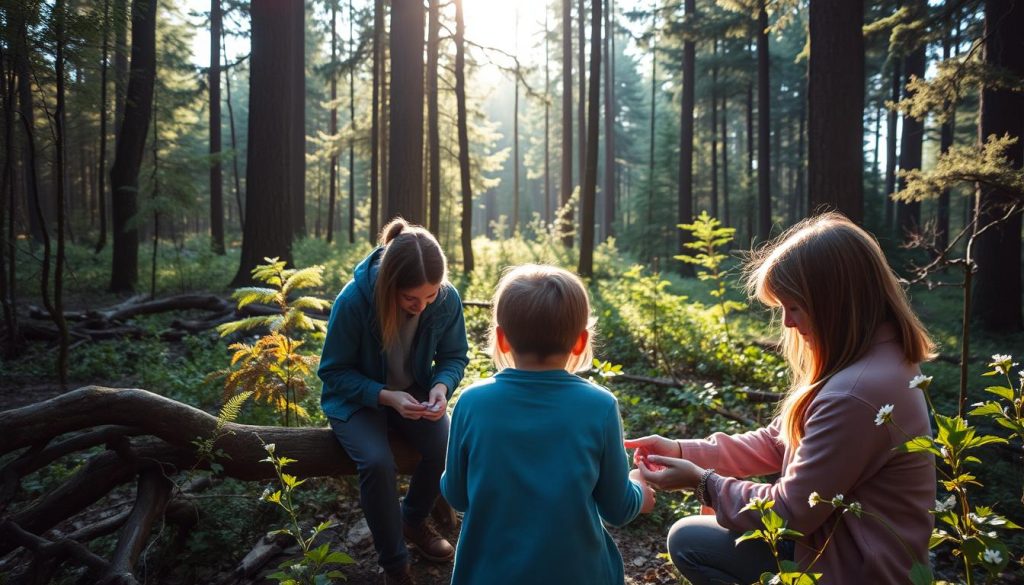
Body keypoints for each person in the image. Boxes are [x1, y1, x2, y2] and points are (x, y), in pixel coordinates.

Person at [626, 212, 937, 585]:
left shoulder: (857, 392)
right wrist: (681, 451)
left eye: (794, 307)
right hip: (835, 547)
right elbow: (779, 440)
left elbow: (790, 512)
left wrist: (702, 482)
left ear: (833, 303)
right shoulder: (872, 361)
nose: (787, 323)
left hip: (851, 570)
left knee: (691, 540)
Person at [440, 264, 656, 585]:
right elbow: (617, 507)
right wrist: (640, 489)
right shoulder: (599, 406)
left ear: (501, 339)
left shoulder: (472, 403)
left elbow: (456, 495)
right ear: (581, 342)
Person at [318, 218, 469, 585]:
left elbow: (453, 357)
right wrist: (384, 396)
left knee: (445, 445)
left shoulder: (445, 299)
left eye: (430, 296)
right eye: (410, 299)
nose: (422, 305)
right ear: (389, 286)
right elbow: (333, 371)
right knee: (376, 462)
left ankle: (412, 520)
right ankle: (394, 564)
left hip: (413, 394)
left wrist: (440, 388)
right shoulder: (354, 301)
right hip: (357, 400)